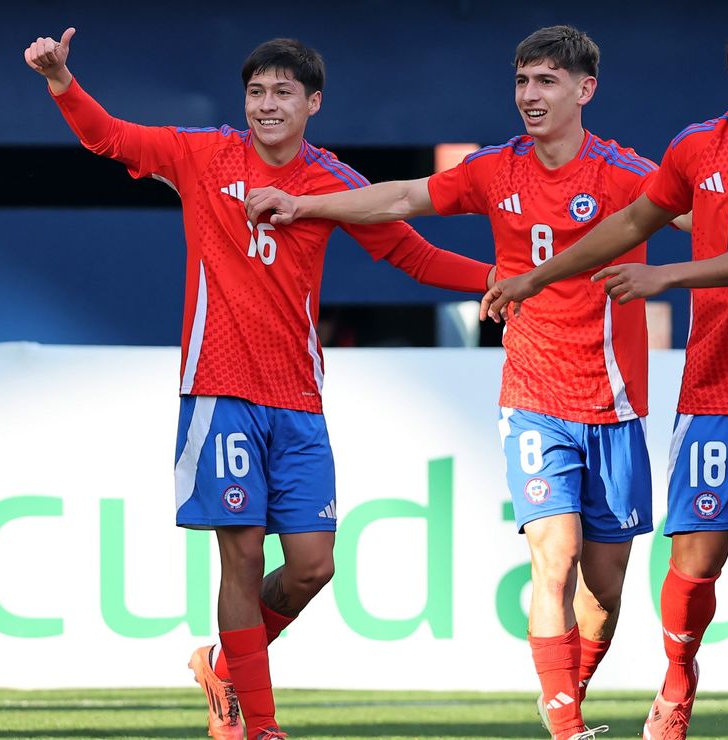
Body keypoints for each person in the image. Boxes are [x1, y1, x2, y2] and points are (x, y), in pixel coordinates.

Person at [25, 29, 494, 740]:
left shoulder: (335, 181)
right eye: (255, 92)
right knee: (242, 555)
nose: (266, 104)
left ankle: (223, 665)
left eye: (282, 92)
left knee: (311, 567)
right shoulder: (204, 155)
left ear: (313, 103)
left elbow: (414, 256)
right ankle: (260, 724)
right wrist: (62, 80)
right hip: (219, 390)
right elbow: (109, 138)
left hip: (298, 400)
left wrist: (505, 280)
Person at [244, 26, 663, 740]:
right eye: (522, 81)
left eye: (547, 81)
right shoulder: (496, 168)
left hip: (616, 404)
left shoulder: (627, 174)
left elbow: (711, 218)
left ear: (585, 90)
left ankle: (566, 689)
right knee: (554, 557)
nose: (529, 95)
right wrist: (305, 204)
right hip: (534, 398)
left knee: (605, 591)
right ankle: (567, 726)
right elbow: (402, 198)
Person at [482, 15, 728, 740]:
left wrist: (669, 275)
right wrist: (538, 275)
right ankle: (678, 676)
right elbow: (633, 221)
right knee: (695, 568)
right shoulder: (696, 148)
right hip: (716, 391)